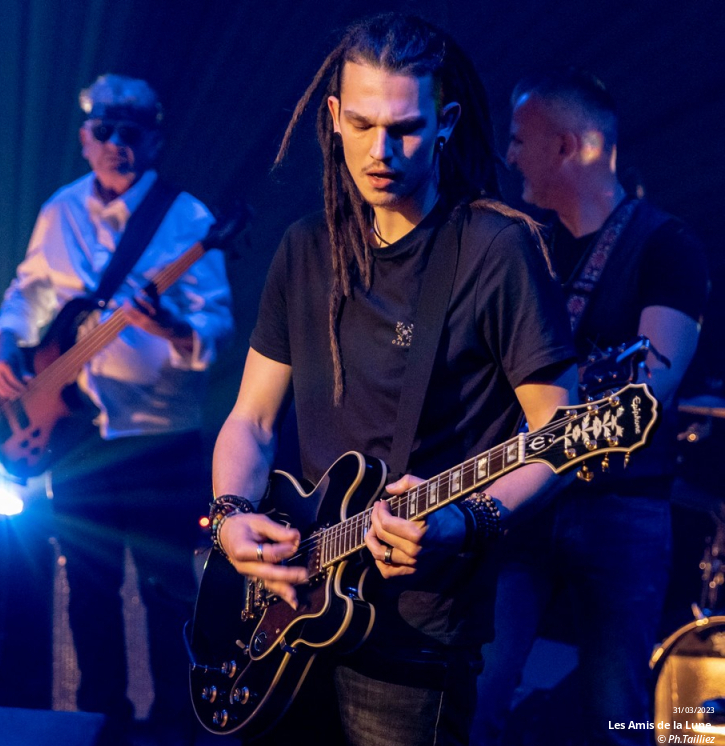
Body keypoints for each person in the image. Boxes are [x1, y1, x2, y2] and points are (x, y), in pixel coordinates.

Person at [209, 14, 577, 746]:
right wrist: (228, 517)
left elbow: (559, 438)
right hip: (292, 607)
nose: (382, 151)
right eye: (365, 124)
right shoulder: (306, 250)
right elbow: (250, 420)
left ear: (445, 124)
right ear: (334, 118)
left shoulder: (495, 249)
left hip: (416, 635)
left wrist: (466, 519)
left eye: (406, 128)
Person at [0, 74, 233, 741]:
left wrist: (174, 332)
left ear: (153, 138)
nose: (117, 145)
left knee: (166, 590)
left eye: (132, 133)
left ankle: (181, 726)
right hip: (77, 431)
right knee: (89, 591)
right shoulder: (59, 210)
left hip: (159, 434)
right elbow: (29, 292)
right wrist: (4, 345)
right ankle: (102, 724)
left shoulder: (190, 219)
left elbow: (217, 326)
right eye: (105, 132)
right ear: (85, 139)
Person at [471, 69, 709, 746]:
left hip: (621, 509)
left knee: (618, 713)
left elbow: (646, 393)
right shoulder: (523, 247)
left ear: (567, 147)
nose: (508, 155)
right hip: (521, 501)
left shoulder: (668, 247)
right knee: (477, 691)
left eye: (520, 140)